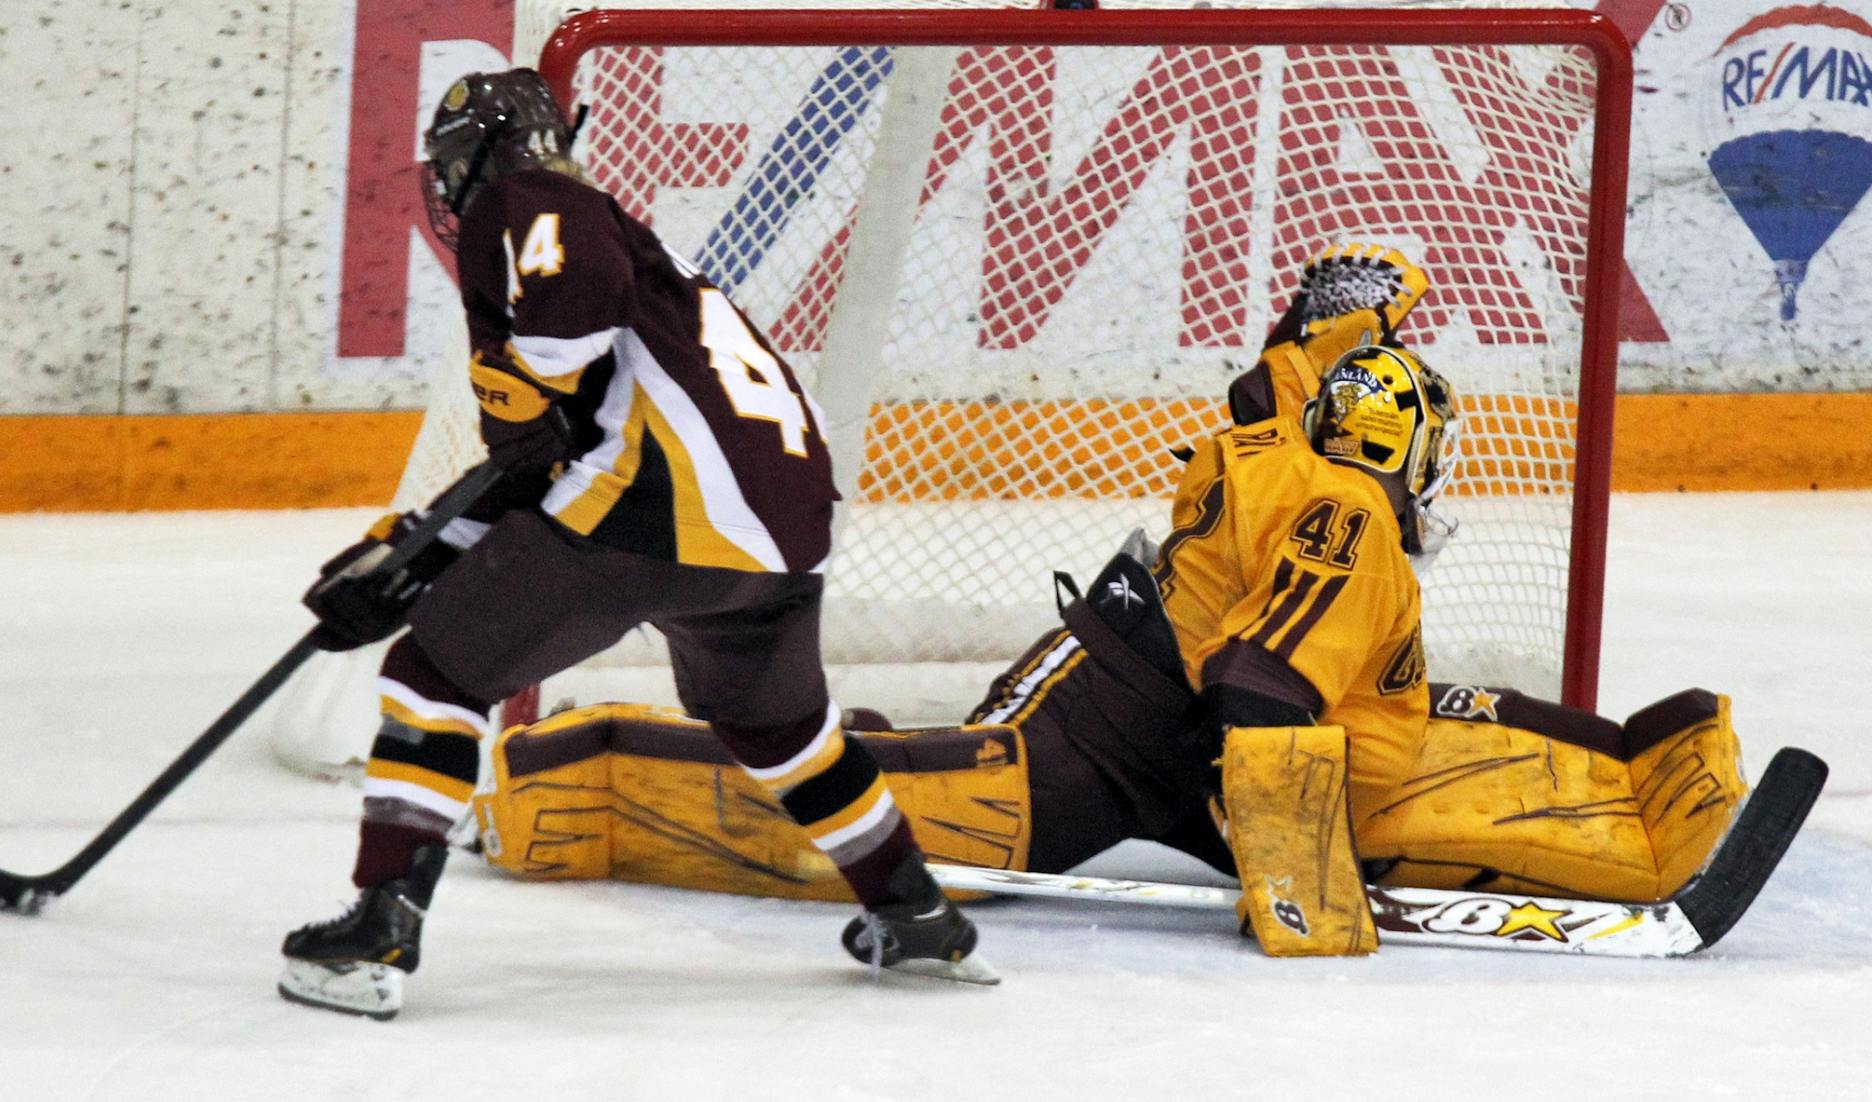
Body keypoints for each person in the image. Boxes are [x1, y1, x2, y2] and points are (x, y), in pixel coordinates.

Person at [462, 245, 1749, 956]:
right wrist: (1296, 884)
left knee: (1472, 736)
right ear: (1409, 455)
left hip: (1157, 702)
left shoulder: (1279, 428)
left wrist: (1342, 315)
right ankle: (574, 786)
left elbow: (1283, 365)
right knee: (896, 817)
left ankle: (1656, 781)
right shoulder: (1354, 519)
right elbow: (1259, 687)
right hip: (1112, 735)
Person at [278, 68, 993, 1020]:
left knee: (434, 676)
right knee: (779, 728)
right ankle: (915, 912)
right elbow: (537, 465)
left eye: (457, 168)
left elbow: (575, 298)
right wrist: (411, 549)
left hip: (660, 511)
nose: (453, 191)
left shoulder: (533, 199)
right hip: (782, 530)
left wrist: (533, 374)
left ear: (486, 155)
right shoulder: (667, 291)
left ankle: (377, 932)